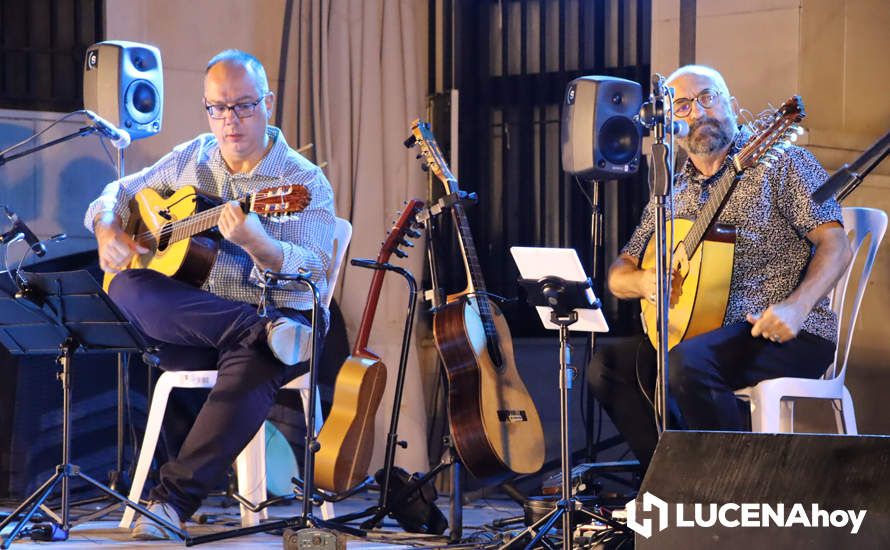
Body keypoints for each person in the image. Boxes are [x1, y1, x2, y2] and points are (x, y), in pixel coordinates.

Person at [83, 49, 336, 539]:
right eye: (217, 108)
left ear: (268, 102)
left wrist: (259, 243)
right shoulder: (191, 157)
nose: (229, 120)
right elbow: (111, 193)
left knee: (258, 357)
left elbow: (314, 266)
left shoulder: (302, 181)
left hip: (287, 310)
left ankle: (172, 503)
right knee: (125, 282)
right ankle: (261, 333)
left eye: (242, 106)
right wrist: (108, 227)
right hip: (210, 321)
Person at [587, 65, 852, 472]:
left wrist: (797, 307)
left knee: (686, 364)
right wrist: (643, 281)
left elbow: (835, 243)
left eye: (708, 97)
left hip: (778, 329)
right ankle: (673, 484)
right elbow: (620, 271)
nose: (699, 112)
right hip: (696, 335)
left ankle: (736, 489)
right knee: (608, 367)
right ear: (670, 125)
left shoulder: (783, 161)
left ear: (732, 104)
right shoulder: (672, 192)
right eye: (684, 106)